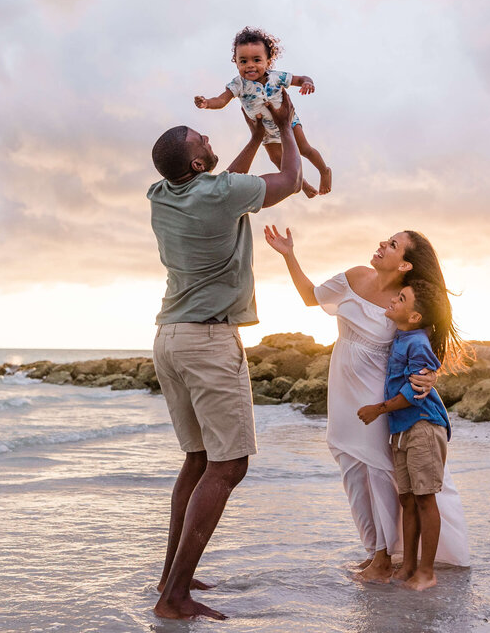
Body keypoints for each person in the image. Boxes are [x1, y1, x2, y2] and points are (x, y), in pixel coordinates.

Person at [148, 92, 302, 620]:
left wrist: (255, 138)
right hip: (210, 342)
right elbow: (291, 183)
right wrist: (284, 132)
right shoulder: (216, 193)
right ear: (196, 162)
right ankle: (174, 596)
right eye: (202, 140)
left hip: (169, 338)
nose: (210, 138)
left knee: (196, 459)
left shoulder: (160, 193)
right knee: (228, 464)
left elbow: (224, 187)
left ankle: (174, 576)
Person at [264, 225, 470, 582]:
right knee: (352, 470)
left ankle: (386, 559)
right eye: (387, 240)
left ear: (406, 264)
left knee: (379, 471)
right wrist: (288, 254)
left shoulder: (409, 297)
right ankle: (374, 549)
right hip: (343, 389)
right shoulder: (353, 277)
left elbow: (424, 344)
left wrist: (430, 376)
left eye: (393, 245)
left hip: (378, 396)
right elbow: (312, 296)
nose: (382, 245)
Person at [357, 279, 456, 591]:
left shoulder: (417, 344)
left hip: (423, 427)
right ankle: (409, 565)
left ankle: (427, 572)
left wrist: (379, 409)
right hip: (401, 431)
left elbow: (415, 391)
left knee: (425, 499)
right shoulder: (401, 336)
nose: (393, 301)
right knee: (407, 500)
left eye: (400, 299)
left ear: (414, 317)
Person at [194, 26, 332, 198]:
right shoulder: (238, 84)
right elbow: (222, 100)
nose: (250, 65)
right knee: (276, 159)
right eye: (243, 61)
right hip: (265, 130)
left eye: (257, 60)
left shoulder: (276, 77)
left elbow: (301, 78)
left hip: (287, 121)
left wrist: (307, 83)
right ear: (236, 62)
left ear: (268, 61)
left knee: (304, 149)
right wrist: (207, 103)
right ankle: (301, 183)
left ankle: (324, 170)